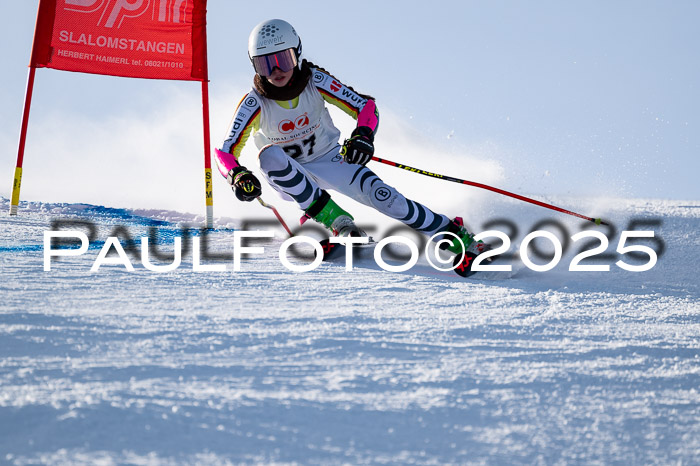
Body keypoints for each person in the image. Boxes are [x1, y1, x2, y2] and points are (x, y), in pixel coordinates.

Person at [216, 19, 486, 260]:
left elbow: (366, 107)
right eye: (265, 63)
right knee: (269, 156)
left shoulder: (315, 80)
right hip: (288, 175)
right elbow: (225, 151)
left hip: (330, 159)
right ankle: (334, 220)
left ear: (296, 54)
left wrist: (363, 135)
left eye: (283, 59)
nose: (276, 70)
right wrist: (237, 175)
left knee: (386, 199)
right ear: (255, 65)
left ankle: (455, 236)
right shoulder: (254, 102)